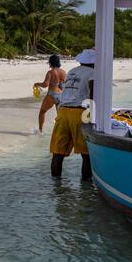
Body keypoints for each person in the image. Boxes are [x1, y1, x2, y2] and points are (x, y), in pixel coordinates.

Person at [50, 49, 95, 179]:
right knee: (86, 154)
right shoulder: (93, 73)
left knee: (57, 152)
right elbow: (92, 96)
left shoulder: (72, 71)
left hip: (63, 111)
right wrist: (92, 116)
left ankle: (56, 186)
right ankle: (85, 188)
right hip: (80, 112)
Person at [35, 54, 66, 133]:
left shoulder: (50, 72)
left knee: (42, 112)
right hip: (61, 94)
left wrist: (37, 84)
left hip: (52, 94)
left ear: (51, 62)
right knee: (60, 115)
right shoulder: (63, 72)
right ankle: (61, 132)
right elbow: (63, 85)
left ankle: (40, 131)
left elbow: (45, 85)